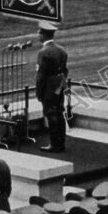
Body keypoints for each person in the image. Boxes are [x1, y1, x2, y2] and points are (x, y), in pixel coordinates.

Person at [35, 21, 68, 153]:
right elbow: (65, 70)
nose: (38, 34)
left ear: (44, 34)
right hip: (58, 86)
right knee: (59, 113)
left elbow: (41, 76)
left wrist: (39, 92)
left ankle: (55, 144)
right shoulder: (61, 50)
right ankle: (61, 142)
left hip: (48, 88)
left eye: (39, 32)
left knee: (51, 114)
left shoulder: (43, 53)